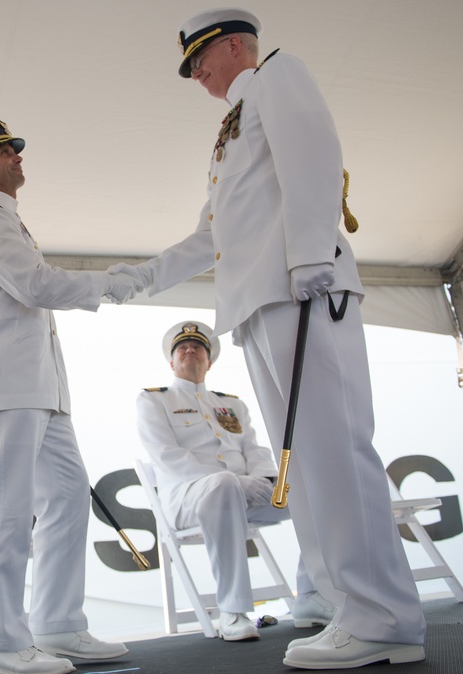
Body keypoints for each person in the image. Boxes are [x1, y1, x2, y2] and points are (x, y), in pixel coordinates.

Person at [113, 8, 426, 669]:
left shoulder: (278, 76)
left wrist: (312, 253)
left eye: (201, 58)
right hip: (260, 302)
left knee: (335, 451)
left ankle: (383, 615)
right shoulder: (228, 133)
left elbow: (315, 150)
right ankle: (352, 607)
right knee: (307, 462)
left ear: (234, 46)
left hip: (299, 287)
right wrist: (136, 280)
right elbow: (210, 236)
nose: (196, 73)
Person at [0, 115, 141, 674]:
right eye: (5, 152)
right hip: (10, 383)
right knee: (7, 509)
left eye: (15, 149)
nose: (17, 156)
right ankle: (7, 644)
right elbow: (33, 286)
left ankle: (58, 624)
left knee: (66, 494)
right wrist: (105, 284)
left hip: (44, 386)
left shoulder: (12, 223)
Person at [137, 320, 335, 642]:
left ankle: (311, 595)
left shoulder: (231, 404)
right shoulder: (154, 400)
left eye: (198, 347)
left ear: (209, 361)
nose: (190, 350)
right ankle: (232, 611)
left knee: (313, 496)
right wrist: (232, 480)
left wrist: (261, 478)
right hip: (188, 499)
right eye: (182, 348)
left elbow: (254, 449)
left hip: (242, 495)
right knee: (225, 485)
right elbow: (167, 456)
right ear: (171, 362)